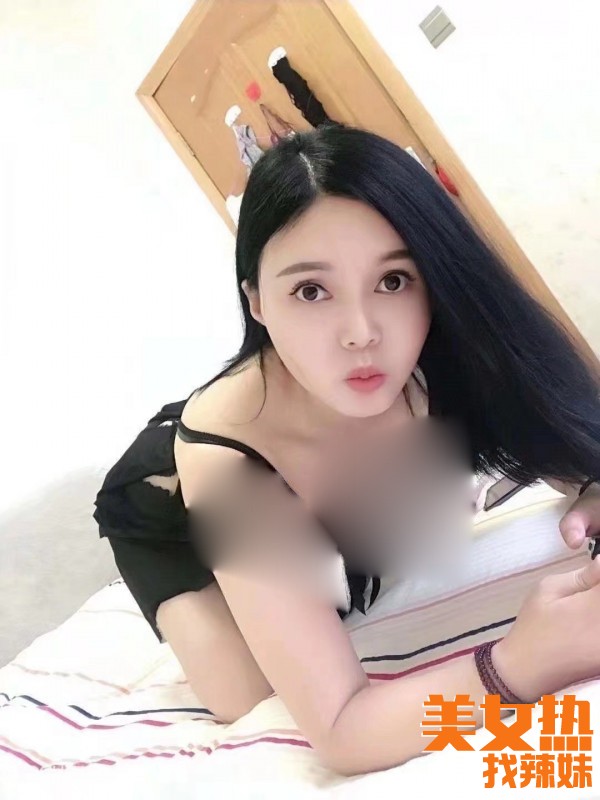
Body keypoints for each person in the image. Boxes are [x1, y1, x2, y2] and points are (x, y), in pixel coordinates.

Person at [94, 122, 600, 776]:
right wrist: (517, 665)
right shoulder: (225, 459)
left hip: (316, 479)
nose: (361, 333)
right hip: (171, 510)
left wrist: (589, 484)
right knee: (251, 700)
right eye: (311, 290)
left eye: (393, 280)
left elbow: (563, 438)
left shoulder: (448, 350)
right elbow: (343, 732)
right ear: (257, 301)